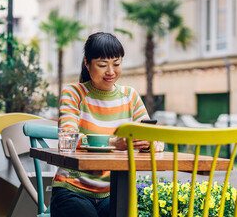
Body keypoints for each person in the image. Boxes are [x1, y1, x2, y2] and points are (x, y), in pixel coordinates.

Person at [50, 32, 164, 217]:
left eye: (116, 64)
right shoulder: (74, 93)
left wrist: (147, 143)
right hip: (72, 188)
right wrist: (114, 144)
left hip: (115, 191)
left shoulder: (130, 96)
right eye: (102, 65)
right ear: (87, 64)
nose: (111, 71)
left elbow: (158, 142)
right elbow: (68, 138)